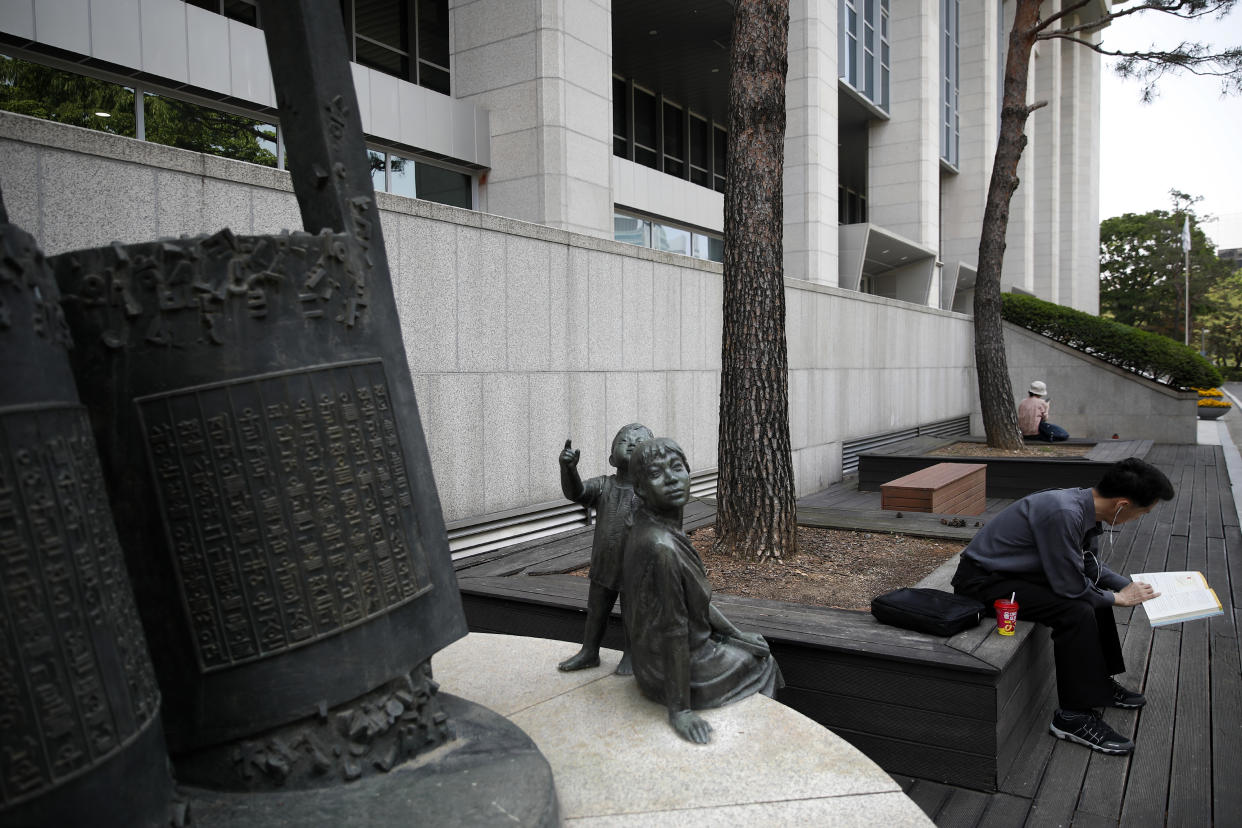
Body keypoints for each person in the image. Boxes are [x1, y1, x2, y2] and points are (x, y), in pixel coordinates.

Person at [950, 457, 1175, 756]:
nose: (1139, 517)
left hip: (1016, 575)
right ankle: (1072, 716)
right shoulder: (1063, 512)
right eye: (1142, 512)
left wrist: (1124, 585)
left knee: (1093, 593)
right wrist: (1117, 598)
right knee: (1076, 608)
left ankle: (1099, 684)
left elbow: (1086, 566)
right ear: (1122, 504)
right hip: (983, 582)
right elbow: (1070, 586)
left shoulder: (1083, 506)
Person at [621, 437, 782, 744]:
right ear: (640, 489)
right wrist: (680, 711)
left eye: (677, 468)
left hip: (653, 660)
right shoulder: (661, 547)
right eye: (656, 473)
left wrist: (735, 634)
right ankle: (757, 741)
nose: (670, 479)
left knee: (752, 645)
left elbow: (694, 602)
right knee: (764, 662)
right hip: (668, 668)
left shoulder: (650, 526)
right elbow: (674, 631)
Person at [556, 423, 653, 674]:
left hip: (636, 568)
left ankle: (632, 655)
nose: (632, 442)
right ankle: (589, 651)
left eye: (639, 440)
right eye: (624, 441)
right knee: (596, 611)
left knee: (633, 615)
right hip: (604, 565)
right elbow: (575, 492)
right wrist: (568, 469)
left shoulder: (651, 490)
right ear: (611, 459)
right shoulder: (604, 485)